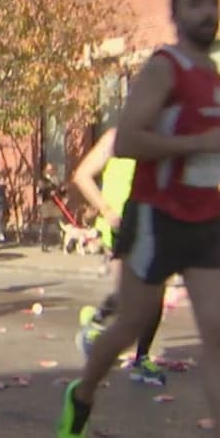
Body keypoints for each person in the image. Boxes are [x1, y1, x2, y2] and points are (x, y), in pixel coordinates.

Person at [55, 0, 220, 438]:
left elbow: (199, 150)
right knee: (132, 323)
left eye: (212, 3)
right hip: (157, 216)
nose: (206, 12)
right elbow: (130, 139)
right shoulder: (165, 67)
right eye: (194, 4)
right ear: (178, 18)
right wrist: (199, 142)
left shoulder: (215, 77)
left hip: (203, 217)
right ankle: (82, 393)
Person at [70, 127, 167, 386]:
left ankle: (141, 357)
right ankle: (99, 321)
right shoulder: (116, 138)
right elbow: (82, 176)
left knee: (155, 291)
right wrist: (106, 210)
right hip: (120, 224)